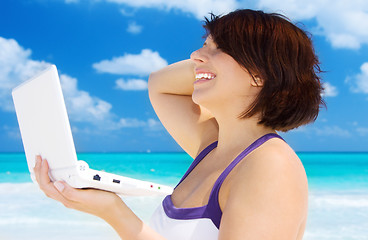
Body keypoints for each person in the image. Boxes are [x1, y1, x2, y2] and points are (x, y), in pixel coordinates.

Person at [34, 9, 324, 240]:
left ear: (259, 74)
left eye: (221, 48)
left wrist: (115, 213)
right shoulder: (212, 148)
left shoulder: (270, 166)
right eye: (203, 45)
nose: (194, 55)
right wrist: (210, 64)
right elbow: (160, 84)